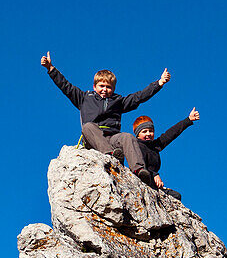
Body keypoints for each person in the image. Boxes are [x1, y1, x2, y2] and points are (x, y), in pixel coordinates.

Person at [40, 51, 169, 179]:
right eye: (101, 86)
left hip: (112, 138)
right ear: (94, 86)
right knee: (87, 127)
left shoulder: (118, 101)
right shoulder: (84, 98)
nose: (105, 90)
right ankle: (110, 154)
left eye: (109, 87)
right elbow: (65, 86)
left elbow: (139, 97)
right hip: (93, 139)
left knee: (127, 137)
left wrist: (159, 84)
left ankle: (139, 169)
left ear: (113, 89)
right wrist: (51, 69)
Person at [131, 108, 200, 201]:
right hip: (142, 177)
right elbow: (141, 163)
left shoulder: (155, 146)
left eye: (151, 131)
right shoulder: (136, 146)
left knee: (176, 196)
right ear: (137, 134)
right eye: (144, 131)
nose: (148, 134)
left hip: (154, 182)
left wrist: (188, 120)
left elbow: (171, 134)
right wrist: (154, 174)